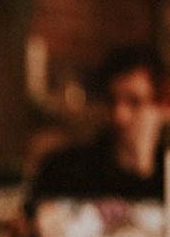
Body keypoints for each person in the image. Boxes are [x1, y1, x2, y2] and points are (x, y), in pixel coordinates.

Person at [30, 44, 168, 203]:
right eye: (111, 100)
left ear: (163, 107)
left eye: (134, 102)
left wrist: (143, 167)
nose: (119, 116)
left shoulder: (165, 175)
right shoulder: (64, 171)